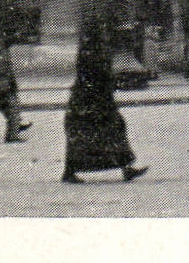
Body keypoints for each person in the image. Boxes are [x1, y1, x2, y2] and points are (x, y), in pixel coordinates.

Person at [61, 21, 148, 184]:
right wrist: (108, 84)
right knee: (108, 131)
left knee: (96, 134)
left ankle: (125, 167)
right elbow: (95, 74)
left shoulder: (90, 50)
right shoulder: (93, 52)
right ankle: (124, 167)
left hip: (90, 100)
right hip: (92, 101)